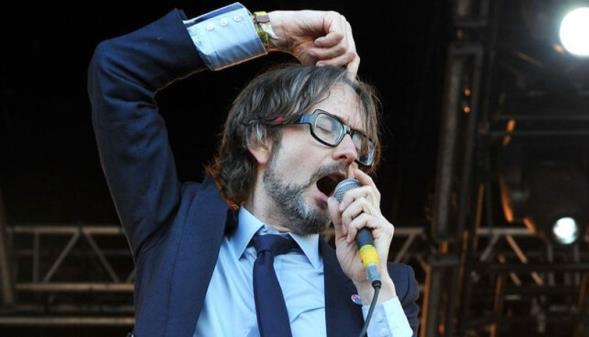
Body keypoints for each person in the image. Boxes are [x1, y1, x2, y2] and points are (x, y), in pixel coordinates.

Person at [88, 2, 419, 337]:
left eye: (359, 142)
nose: (349, 152)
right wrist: (271, 31)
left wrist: (370, 287)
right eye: (328, 127)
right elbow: (117, 71)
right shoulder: (177, 229)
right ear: (261, 139)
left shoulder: (385, 288)